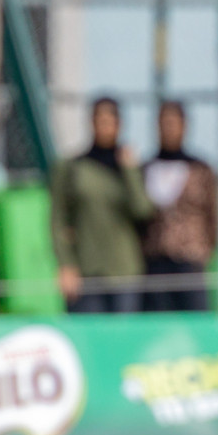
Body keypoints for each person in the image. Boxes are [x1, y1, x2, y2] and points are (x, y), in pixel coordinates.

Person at [51, 97, 154, 314]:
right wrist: (66, 264)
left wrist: (130, 171)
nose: (105, 127)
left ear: (119, 125)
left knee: (124, 340)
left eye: (110, 121)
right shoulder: (73, 167)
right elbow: (58, 218)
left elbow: (143, 211)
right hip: (87, 270)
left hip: (124, 272)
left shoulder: (132, 168)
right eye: (100, 121)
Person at [140, 101, 218, 312]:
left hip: (190, 260)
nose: (169, 129)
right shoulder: (144, 169)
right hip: (154, 260)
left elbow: (214, 217)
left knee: (195, 323)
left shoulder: (201, 169)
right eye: (164, 123)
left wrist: (205, 250)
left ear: (185, 126)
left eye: (173, 123)